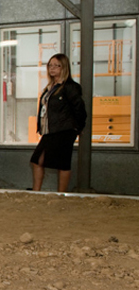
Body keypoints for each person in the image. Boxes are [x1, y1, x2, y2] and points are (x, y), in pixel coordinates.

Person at [30, 53, 87, 192]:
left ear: (64, 67)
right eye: (50, 65)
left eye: (57, 65)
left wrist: (77, 128)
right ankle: (36, 192)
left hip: (65, 130)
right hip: (50, 131)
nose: (52, 68)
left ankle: (61, 194)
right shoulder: (51, 87)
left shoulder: (70, 87)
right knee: (37, 160)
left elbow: (80, 109)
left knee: (63, 163)